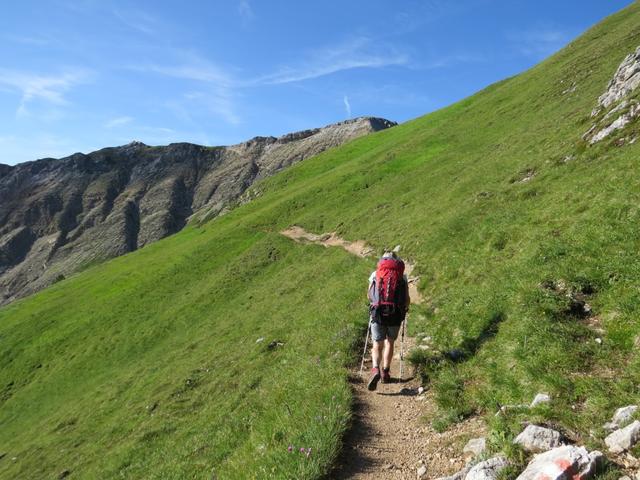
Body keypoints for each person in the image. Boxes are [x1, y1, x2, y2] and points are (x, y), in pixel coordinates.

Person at [366, 251, 410, 391]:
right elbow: (407, 298)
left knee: (377, 344)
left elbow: (369, 295)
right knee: (390, 342)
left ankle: (375, 370)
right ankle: (386, 372)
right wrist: (405, 309)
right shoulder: (402, 276)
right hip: (395, 313)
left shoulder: (375, 274)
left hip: (378, 313)